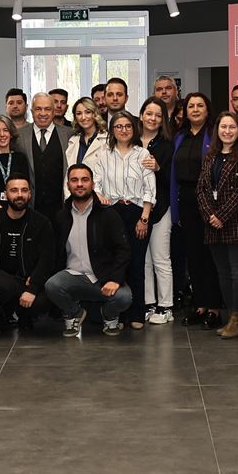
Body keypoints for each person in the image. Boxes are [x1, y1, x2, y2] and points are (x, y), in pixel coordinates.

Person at [48, 164, 133, 335]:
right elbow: (54, 252)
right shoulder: (61, 216)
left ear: (93, 184)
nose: (80, 184)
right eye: (74, 180)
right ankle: (74, 313)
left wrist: (115, 279)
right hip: (72, 276)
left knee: (124, 297)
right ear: (68, 185)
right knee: (52, 286)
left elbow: (123, 250)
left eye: (84, 180)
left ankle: (109, 316)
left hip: (103, 277)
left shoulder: (108, 214)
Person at [198, 112, 238, 338]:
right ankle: (232, 316)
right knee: (222, 273)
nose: (227, 131)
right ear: (217, 130)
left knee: (237, 273)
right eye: (223, 127)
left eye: (232, 127)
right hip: (213, 224)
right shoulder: (210, 156)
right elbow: (201, 189)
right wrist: (210, 215)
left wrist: (221, 216)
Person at [97, 111, 157, 330]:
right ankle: (118, 313)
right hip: (111, 213)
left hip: (137, 213)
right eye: (118, 126)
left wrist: (144, 218)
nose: (123, 130)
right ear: (112, 130)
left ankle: (137, 313)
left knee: (136, 263)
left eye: (128, 126)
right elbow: (95, 182)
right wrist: (99, 196)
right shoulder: (104, 154)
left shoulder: (143, 154)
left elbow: (150, 189)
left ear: (134, 129)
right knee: (115, 263)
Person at [0, 175, 57, 332]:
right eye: (14, 190)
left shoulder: (41, 222)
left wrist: (33, 287)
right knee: (3, 286)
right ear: (5, 194)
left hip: (26, 280)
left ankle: (24, 313)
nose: (19, 195)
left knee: (43, 302)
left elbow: (47, 258)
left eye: (24, 190)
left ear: (30, 194)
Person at [172, 94, 221, 330]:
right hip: (185, 200)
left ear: (207, 110)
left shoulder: (214, 134)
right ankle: (200, 305)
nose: (195, 109)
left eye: (200, 105)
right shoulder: (179, 136)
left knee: (210, 256)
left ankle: (214, 308)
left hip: (209, 200)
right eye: (190, 106)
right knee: (193, 255)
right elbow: (173, 173)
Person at [136, 99, 176, 324]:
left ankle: (166, 306)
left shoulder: (168, 145)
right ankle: (149, 303)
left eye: (158, 115)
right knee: (143, 260)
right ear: (141, 115)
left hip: (160, 209)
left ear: (163, 120)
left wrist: (159, 168)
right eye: (149, 113)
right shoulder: (131, 140)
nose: (152, 118)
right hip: (137, 208)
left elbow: (172, 180)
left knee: (161, 258)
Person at [27, 93, 70, 227]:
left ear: (54, 111)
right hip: (31, 208)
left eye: (47, 109)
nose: (43, 113)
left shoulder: (69, 134)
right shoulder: (19, 136)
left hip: (60, 208)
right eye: (38, 109)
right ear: (31, 111)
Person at [65, 97, 109, 180]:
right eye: (79, 113)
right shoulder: (73, 141)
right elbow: (68, 173)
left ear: (95, 114)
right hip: (75, 187)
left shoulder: (107, 140)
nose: (83, 117)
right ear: (75, 117)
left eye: (88, 112)